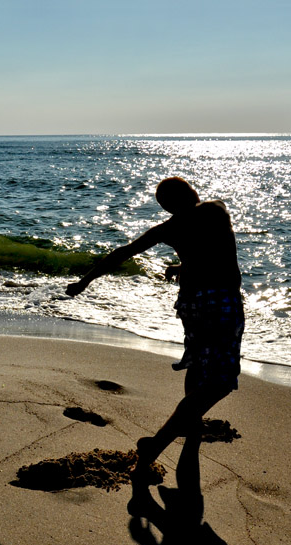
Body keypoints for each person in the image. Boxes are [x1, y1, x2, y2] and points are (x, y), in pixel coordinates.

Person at [66, 177, 244, 475]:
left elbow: (122, 253)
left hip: (192, 302)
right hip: (220, 302)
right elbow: (212, 246)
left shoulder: (168, 229)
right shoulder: (215, 210)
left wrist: (85, 281)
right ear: (193, 192)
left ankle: (192, 425)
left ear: (166, 207)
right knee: (221, 382)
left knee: (199, 366)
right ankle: (157, 442)